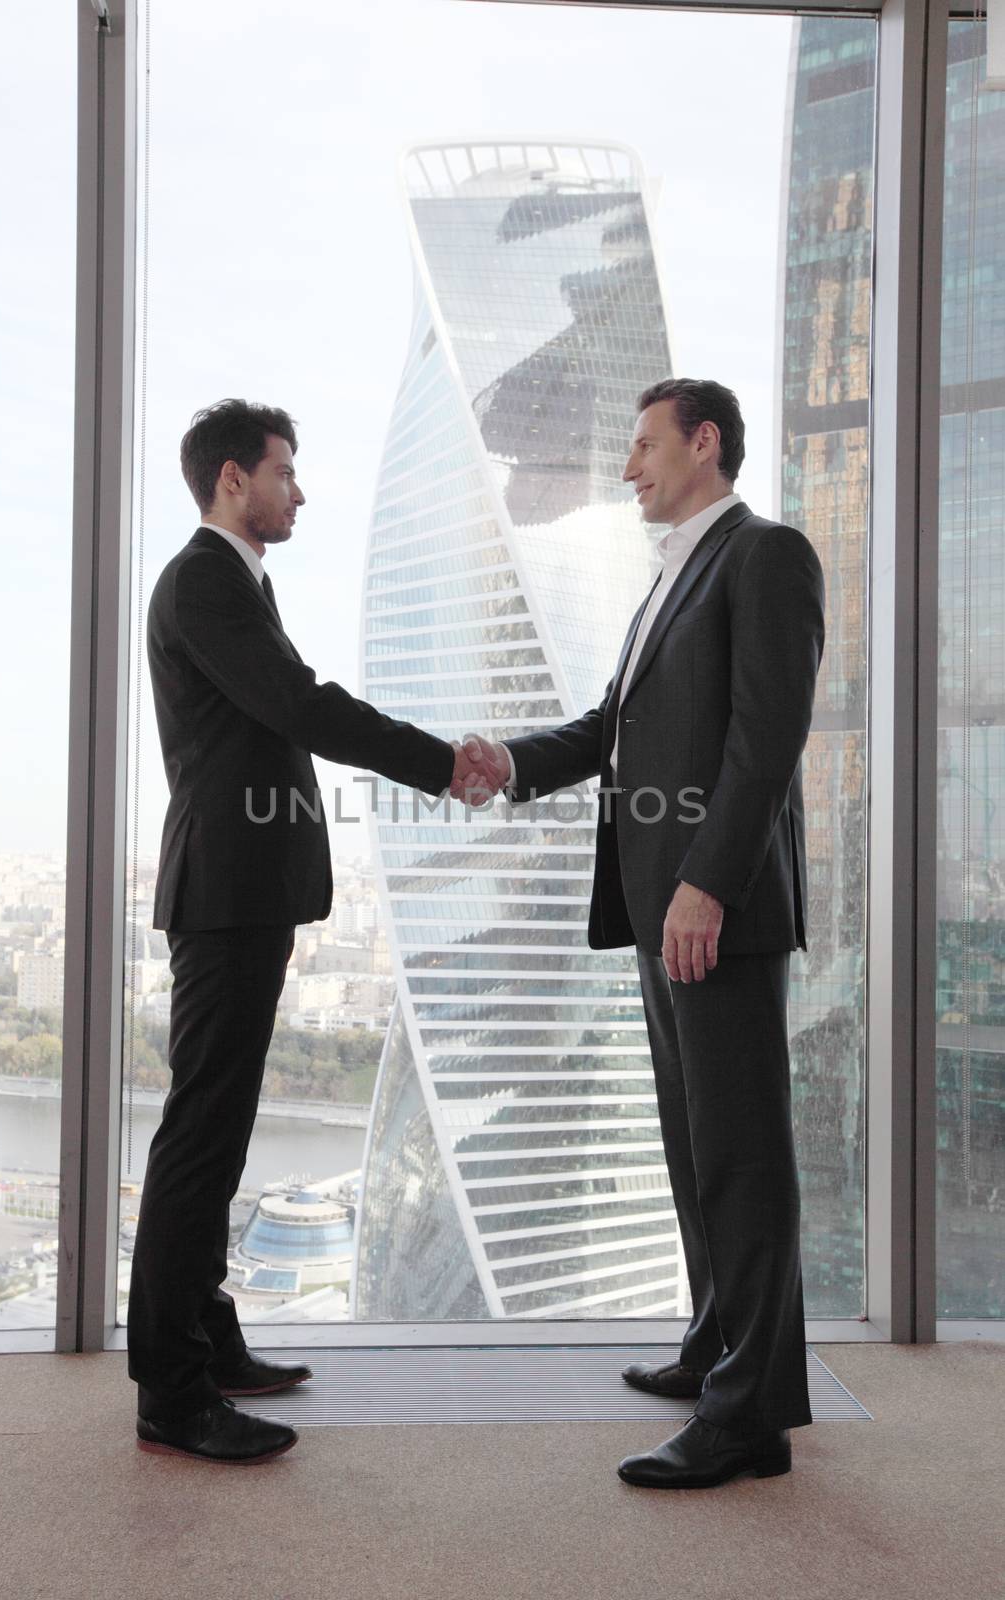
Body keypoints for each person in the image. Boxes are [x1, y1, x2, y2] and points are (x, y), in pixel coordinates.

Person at [455, 378, 825, 1489]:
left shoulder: (764, 556)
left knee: (741, 1153)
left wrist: (707, 882)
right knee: (692, 1142)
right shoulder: (666, 582)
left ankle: (749, 1414)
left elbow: (766, 739)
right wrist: (504, 762)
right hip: (660, 909)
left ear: (703, 444)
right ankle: (718, 1346)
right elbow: (606, 733)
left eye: (644, 445)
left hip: (712, 907)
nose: (627, 468)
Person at [131, 398, 487, 1465]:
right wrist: (440, 762)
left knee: (223, 1127)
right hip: (226, 893)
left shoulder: (237, 581)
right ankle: (172, 1390)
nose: (300, 488)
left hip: (246, 890)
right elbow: (299, 703)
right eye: (286, 470)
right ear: (233, 477)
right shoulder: (204, 579)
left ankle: (210, 1336)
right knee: (201, 1136)